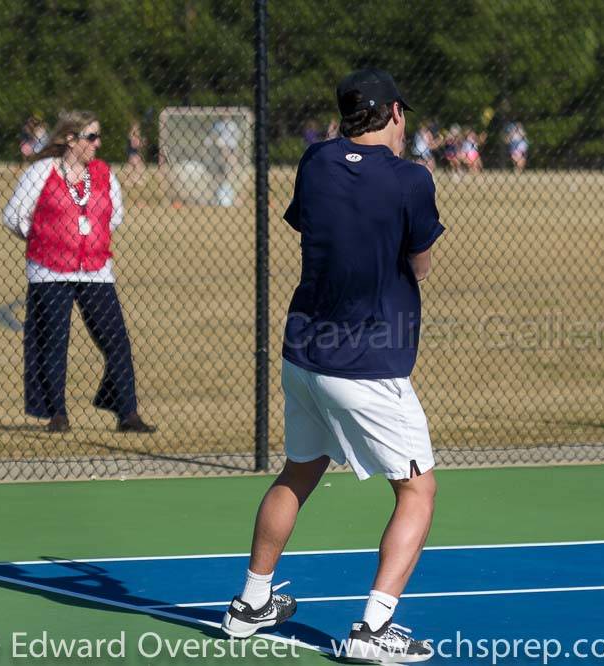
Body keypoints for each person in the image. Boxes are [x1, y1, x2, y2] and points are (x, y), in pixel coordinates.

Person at [220, 69, 444, 664]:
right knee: (417, 490)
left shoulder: (316, 162)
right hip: (367, 362)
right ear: (394, 112)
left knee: (299, 470)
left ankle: (251, 603)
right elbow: (419, 266)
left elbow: (317, 222)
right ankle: (373, 629)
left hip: (304, 354)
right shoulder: (411, 180)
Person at [2, 110, 156, 434]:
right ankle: (56, 413)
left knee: (116, 340)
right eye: (91, 137)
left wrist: (89, 236)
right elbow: (14, 215)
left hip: (95, 269)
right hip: (49, 269)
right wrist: (44, 236)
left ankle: (127, 412)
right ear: (70, 139)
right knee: (53, 340)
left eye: (98, 136)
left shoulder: (103, 174)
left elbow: (114, 216)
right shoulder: (42, 171)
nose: (97, 144)